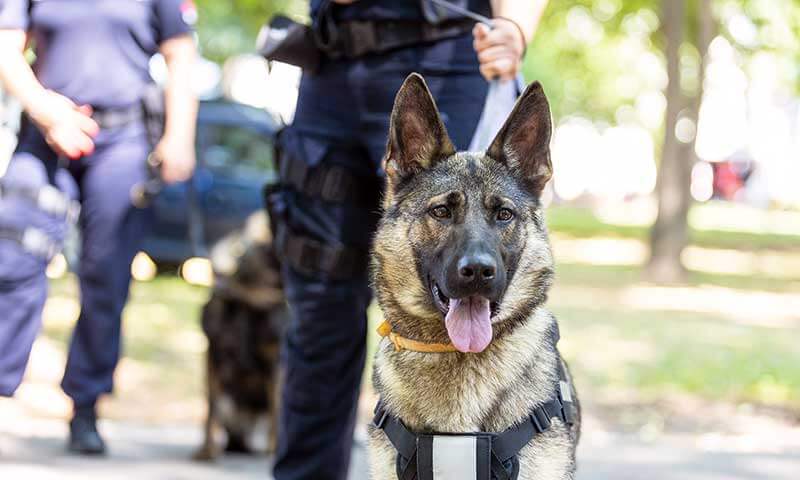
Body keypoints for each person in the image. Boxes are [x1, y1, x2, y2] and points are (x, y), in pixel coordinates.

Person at [265, 1, 548, 479]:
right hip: (332, 60)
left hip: (451, 51)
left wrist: (515, 25)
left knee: (469, 285)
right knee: (316, 309)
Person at [0, 0, 198, 454]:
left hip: (123, 137)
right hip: (45, 130)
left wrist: (179, 137)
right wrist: (44, 109)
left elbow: (181, 55)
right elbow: (7, 47)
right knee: (11, 257)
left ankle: (85, 403)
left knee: (105, 275)